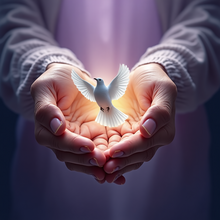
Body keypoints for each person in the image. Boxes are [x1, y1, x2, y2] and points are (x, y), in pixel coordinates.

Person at [0, 0, 220, 219]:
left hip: (171, 179)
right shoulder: (93, 89)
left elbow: (209, 15)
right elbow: (10, 19)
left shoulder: (108, 89)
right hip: (49, 187)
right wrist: (45, 67)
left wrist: (169, 66)